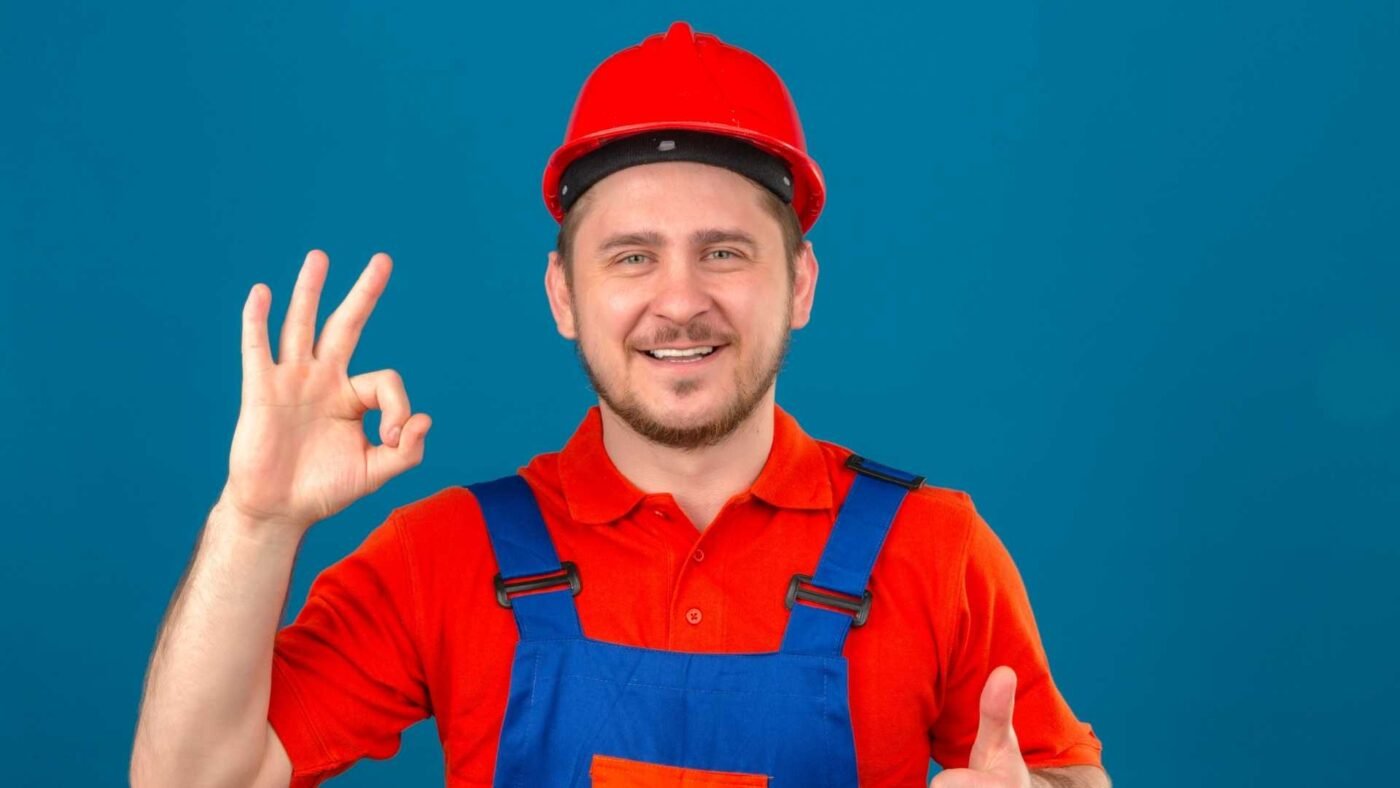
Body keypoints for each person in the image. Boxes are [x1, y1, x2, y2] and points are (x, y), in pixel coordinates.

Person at [131, 21, 1110, 788]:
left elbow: (1065, 771)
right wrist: (253, 518)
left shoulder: (931, 549)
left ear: (799, 283)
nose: (678, 298)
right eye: (630, 255)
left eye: (723, 251)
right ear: (562, 295)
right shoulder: (445, 557)